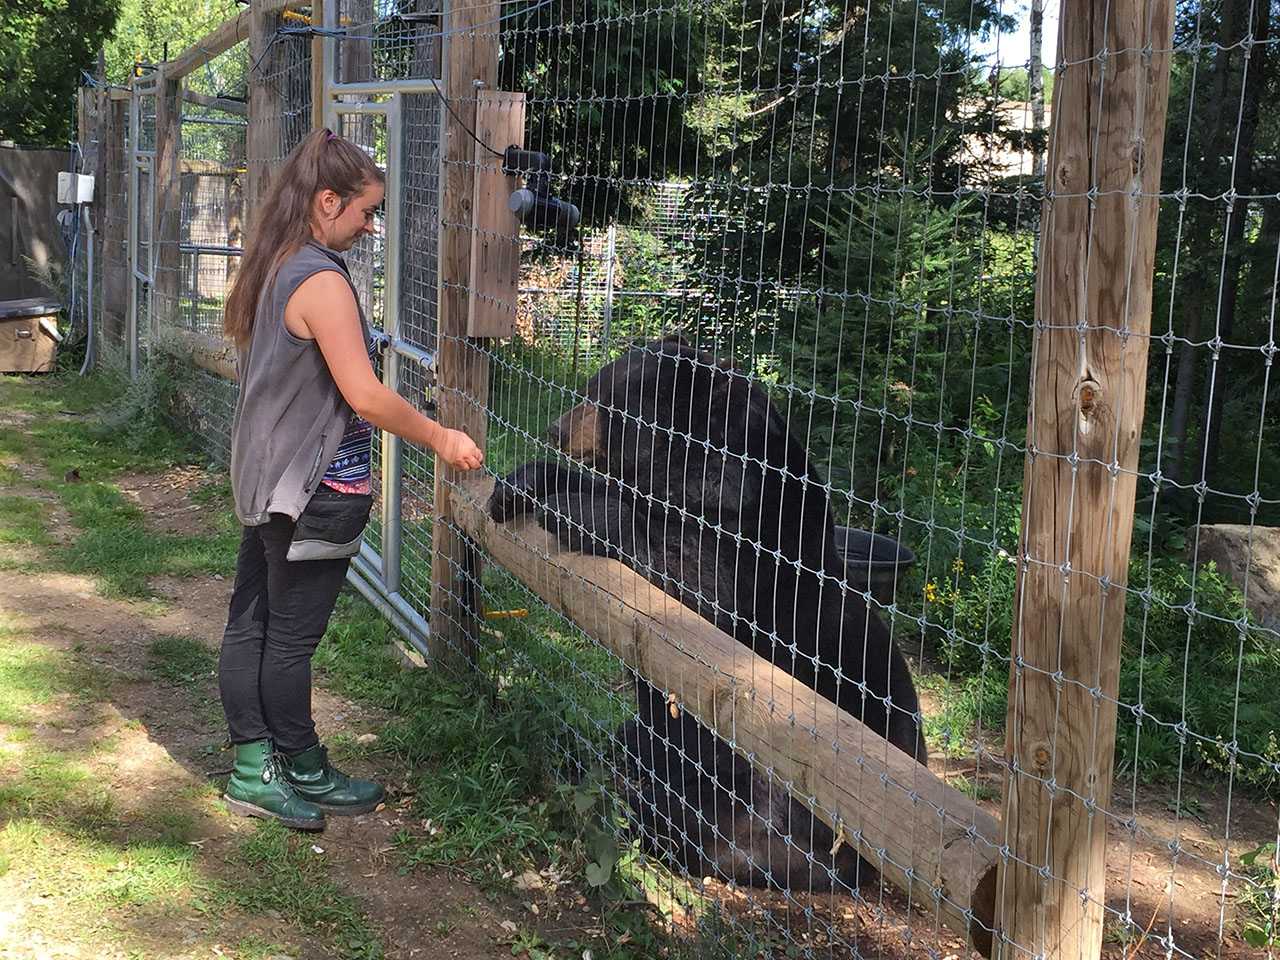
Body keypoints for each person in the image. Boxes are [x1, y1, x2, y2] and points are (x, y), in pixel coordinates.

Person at [217, 128, 483, 830]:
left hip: (267, 478)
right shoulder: (323, 282)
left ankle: (262, 765)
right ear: (327, 200)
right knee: (288, 639)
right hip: (313, 489)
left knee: (254, 622)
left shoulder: (278, 260)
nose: (370, 227)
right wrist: (440, 436)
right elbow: (364, 395)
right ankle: (289, 767)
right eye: (365, 211)